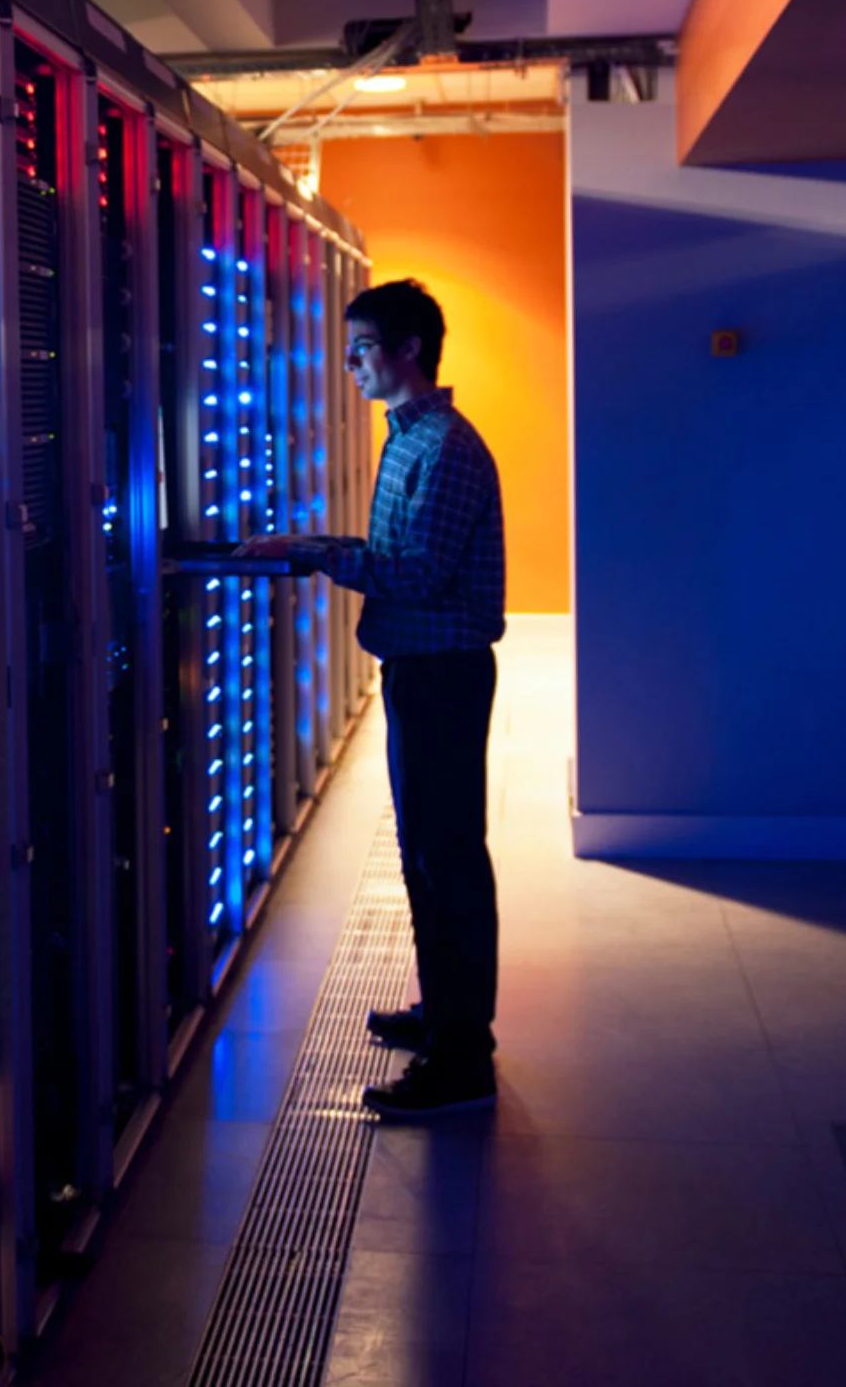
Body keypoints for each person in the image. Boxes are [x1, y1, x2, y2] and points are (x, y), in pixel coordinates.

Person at [240, 278, 504, 1117]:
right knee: (426, 853)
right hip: (418, 673)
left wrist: (314, 552)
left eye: (359, 348)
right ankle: (446, 1014)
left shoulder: (446, 450)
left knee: (448, 856)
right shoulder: (407, 440)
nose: (348, 362)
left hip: (444, 676)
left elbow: (419, 576)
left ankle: (464, 1058)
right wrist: (310, 546)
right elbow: (399, 557)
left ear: (407, 351)